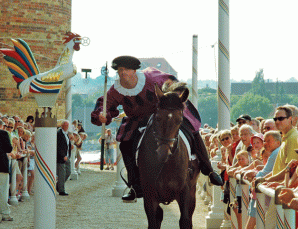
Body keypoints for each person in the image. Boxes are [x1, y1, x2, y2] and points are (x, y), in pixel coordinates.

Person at [91, 55, 218, 202]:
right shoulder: (116, 90)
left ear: (134, 71)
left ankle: (209, 170)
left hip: (161, 114)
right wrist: (103, 115)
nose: (122, 73)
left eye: (126, 69)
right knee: (125, 144)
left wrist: (173, 96)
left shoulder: (152, 77)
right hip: (137, 119)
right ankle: (134, 185)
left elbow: (174, 84)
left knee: (192, 129)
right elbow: (104, 103)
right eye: (120, 70)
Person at [56, 120, 72, 196]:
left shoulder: (66, 134)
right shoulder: (59, 133)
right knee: (62, 174)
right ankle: (61, 190)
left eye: (67, 125)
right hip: (61, 157)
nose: (66, 127)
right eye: (65, 125)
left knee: (68, 172)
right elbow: (58, 146)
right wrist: (63, 156)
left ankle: (58, 185)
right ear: (62, 126)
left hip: (67, 155)